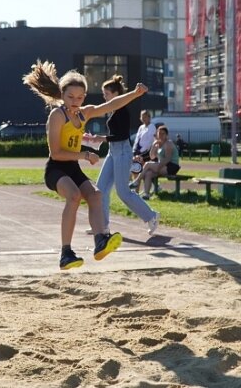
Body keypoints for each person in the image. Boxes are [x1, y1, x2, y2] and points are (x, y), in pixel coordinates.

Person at [22, 60, 148, 270]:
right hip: (57, 168)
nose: (75, 101)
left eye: (79, 97)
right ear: (62, 95)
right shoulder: (57, 116)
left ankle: (100, 241)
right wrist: (84, 154)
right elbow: (56, 153)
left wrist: (135, 94)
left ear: (84, 97)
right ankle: (66, 253)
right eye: (70, 97)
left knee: (96, 195)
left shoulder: (84, 112)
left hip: (72, 168)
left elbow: (111, 105)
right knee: (74, 195)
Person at [92, 75, 159, 236]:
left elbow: (122, 135)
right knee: (100, 189)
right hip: (113, 151)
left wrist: (102, 138)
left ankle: (151, 216)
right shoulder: (113, 110)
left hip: (122, 151)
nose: (104, 97)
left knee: (123, 192)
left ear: (116, 94)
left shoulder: (122, 111)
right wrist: (102, 138)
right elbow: (115, 135)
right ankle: (103, 226)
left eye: (106, 93)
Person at [130, 125, 180, 200]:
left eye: (163, 134)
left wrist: (158, 167)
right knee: (148, 173)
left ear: (166, 135)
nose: (160, 135)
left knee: (147, 164)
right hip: (163, 166)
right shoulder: (158, 144)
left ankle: (137, 181)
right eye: (159, 133)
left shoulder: (168, 144)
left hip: (171, 166)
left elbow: (167, 159)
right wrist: (153, 145)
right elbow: (152, 157)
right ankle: (146, 194)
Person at [131, 110, 155, 192]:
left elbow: (150, 141)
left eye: (145, 116)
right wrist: (134, 151)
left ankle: (138, 190)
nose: (144, 118)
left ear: (149, 117)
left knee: (140, 171)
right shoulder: (141, 127)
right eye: (142, 117)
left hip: (146, 153)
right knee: (135, 170)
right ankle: (136, 191)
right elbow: (137, 140)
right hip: (137, 152)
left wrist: (141, 153)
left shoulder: (152, 127)